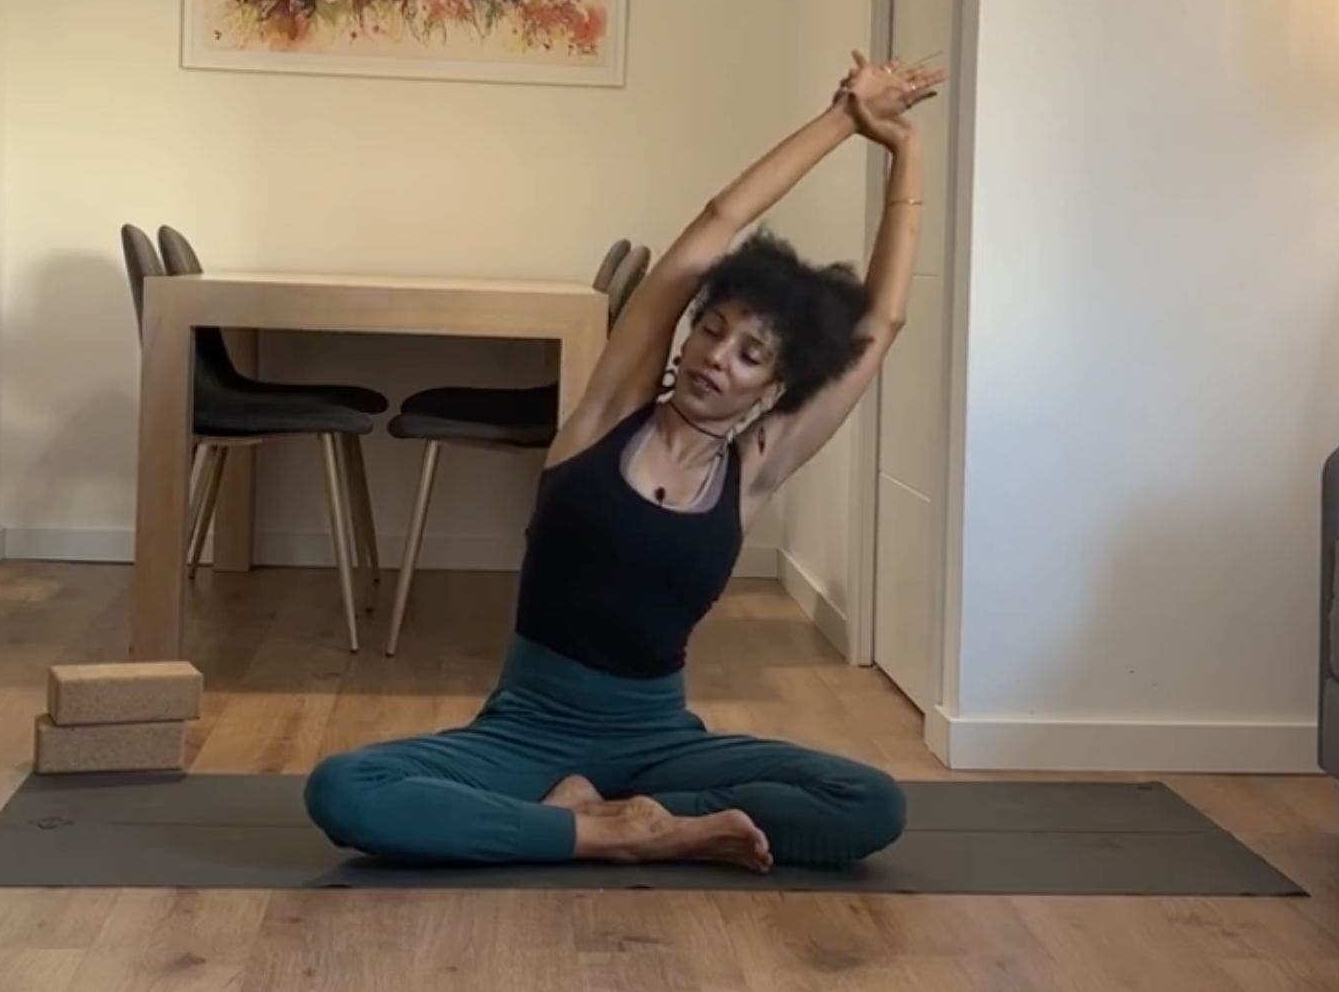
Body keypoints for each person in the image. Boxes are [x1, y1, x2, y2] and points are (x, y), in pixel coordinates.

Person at [305, 50, 945, 871]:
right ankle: (614, 832)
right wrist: (841, 119)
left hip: (658, 742)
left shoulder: (754, 468)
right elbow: (715, 223)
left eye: (751, 355)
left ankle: (616, 818)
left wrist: (905, 147)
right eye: (712, 329)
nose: (718, 357)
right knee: (344, 790)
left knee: (872, 803)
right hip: (526, 730)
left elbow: (880, 326)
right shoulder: (607, 416)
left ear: (775, 385)